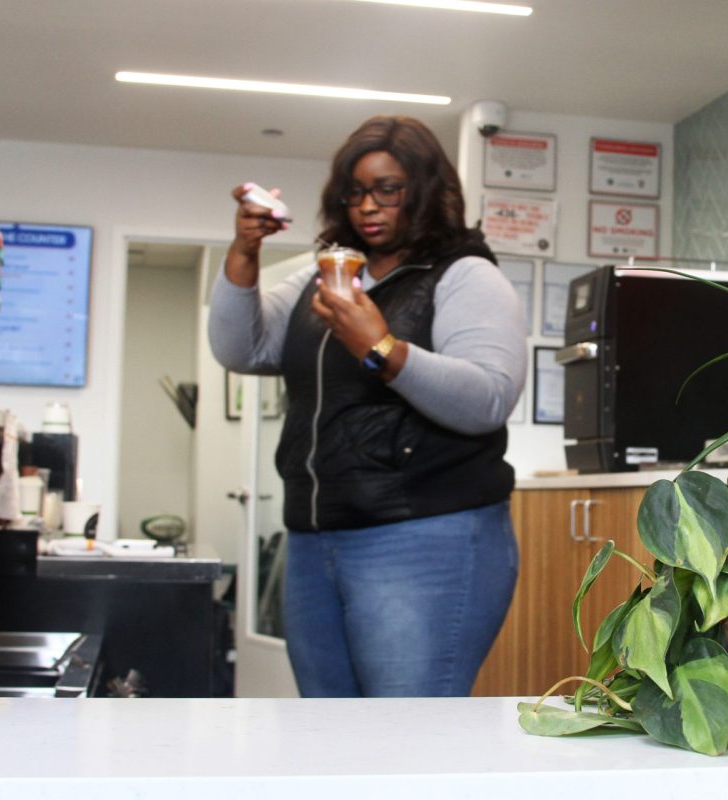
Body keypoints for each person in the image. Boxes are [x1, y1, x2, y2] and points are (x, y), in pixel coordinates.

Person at [208, 116, 526, 697]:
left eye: (388, 189)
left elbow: (488, 397)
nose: (367, 207)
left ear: (425, 191)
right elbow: (240, 347)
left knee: (409, 742)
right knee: (332, 739)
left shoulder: (465, 276)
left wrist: (381, 349)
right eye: (354, 192)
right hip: (314, 537)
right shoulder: (323, 278)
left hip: (425, 536)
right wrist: (244, 251)